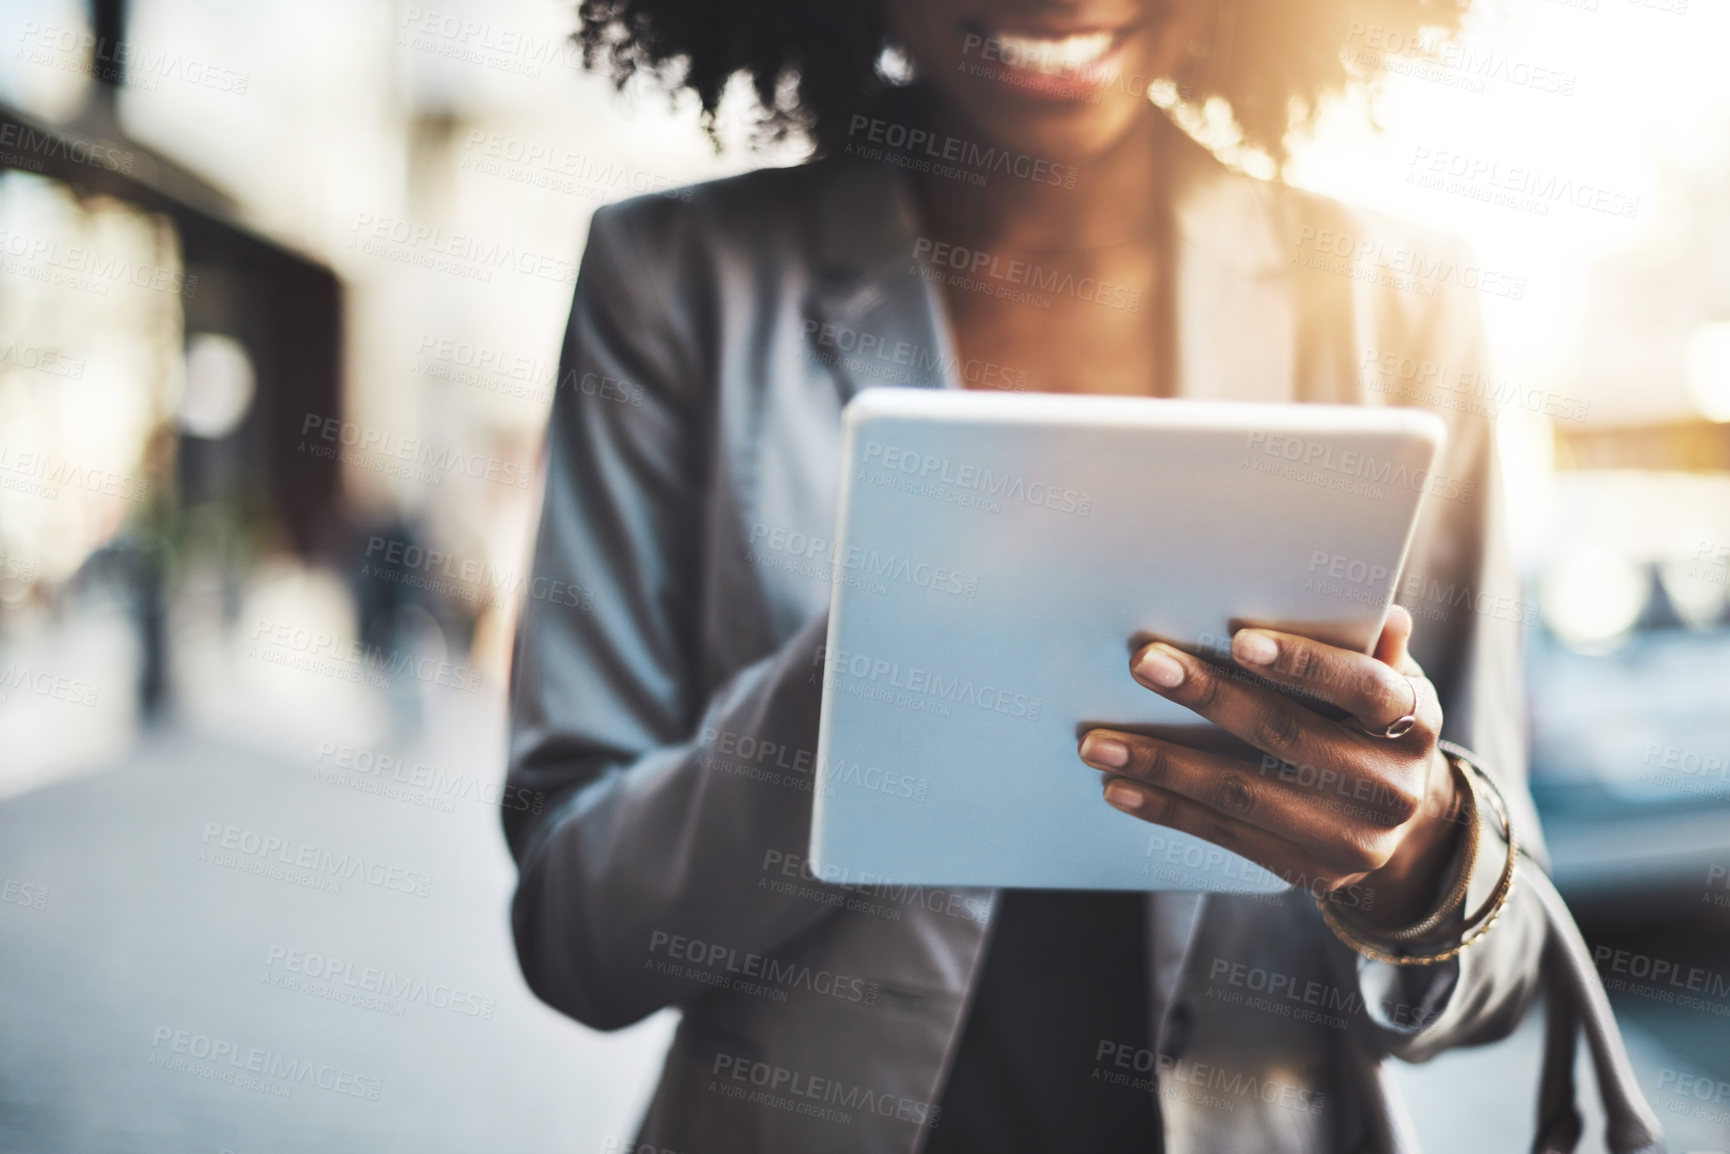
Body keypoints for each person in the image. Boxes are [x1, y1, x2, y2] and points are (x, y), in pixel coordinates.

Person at [502, 2, 1661, 1151]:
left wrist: (1410, 850)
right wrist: (854, 693)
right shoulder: (672, 279)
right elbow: (573, 932)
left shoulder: (1393, 301)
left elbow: (1501, 966)